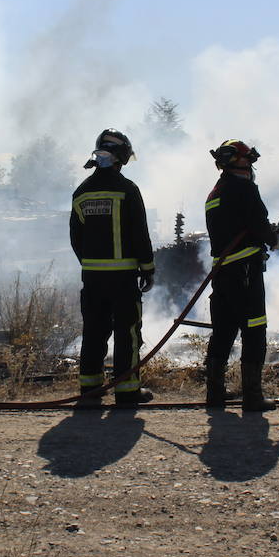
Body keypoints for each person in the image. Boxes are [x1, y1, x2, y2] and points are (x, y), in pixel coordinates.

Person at [69, 129, 156, 407]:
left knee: (94, 331)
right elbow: (139, 233)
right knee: (127, 333)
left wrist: (91, 264)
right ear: (121, 157)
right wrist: (148, 267)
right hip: (123, 277)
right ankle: (127, 391)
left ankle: (90, 391)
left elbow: (76, 237)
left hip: (92, 278)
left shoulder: (81, 192)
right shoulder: (127, 190)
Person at [204, 139, 279, 411]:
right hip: (246, 270)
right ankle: (253, 396)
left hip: (222, 273)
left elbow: (236, 224)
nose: (250, 165)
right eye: (249, 160)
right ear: (238, 161)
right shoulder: (244, 188)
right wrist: (273, 238)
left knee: (223, 331)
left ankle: (214, 394)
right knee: (255, 329)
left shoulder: (215, 193)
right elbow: (258, 224)